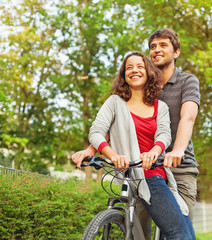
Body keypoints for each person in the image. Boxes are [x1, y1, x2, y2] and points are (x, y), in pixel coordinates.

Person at [72, 28, 200, 238]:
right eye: (152, 47)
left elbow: (186, 119)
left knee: (180, 231)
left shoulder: (184, 83)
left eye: (163, 45)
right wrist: (92, 149)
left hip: (179, 165)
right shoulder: (122, 98)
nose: (156, 50)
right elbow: (107, 127)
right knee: (139, 231)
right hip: (135, 170)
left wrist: (174, 151)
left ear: (176, 52)